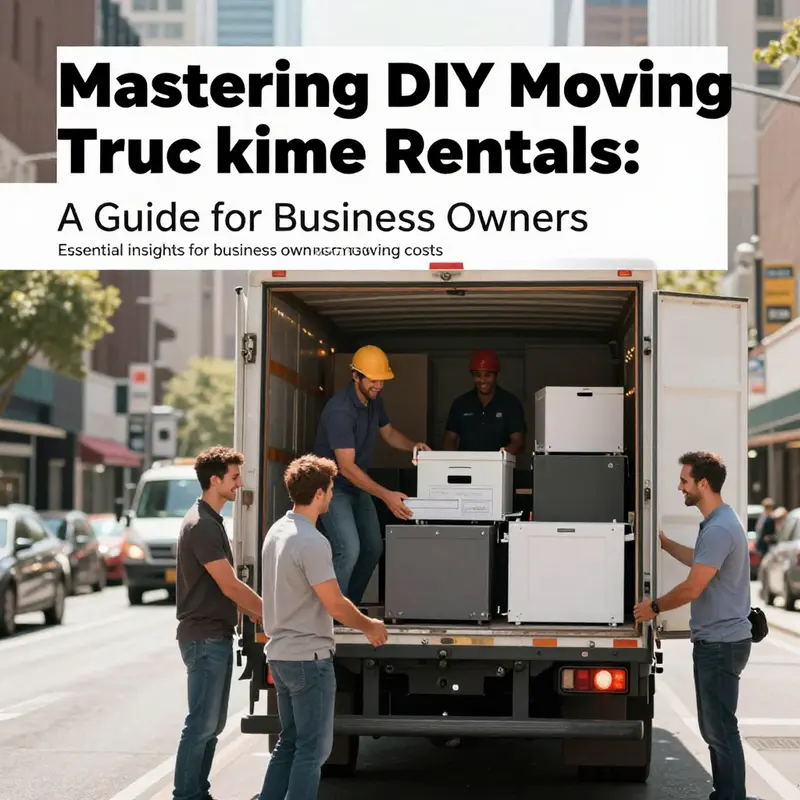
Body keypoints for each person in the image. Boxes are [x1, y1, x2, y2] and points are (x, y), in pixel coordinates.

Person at [258, 454, 388, 800]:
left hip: (281, 655)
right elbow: (334, 603)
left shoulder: (277, 531)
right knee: (312, 751)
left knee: (289, 743)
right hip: (308, 659)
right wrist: (369, 625)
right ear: (319, 493)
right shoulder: (313, 541)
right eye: (330, 489)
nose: (332, 495)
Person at [634, 451, 752, 800]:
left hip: (721, 644)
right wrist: (666, 544)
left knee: (720, 729)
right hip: (721, 641)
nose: (679, 486)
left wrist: (652, 608)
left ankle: (731, 796)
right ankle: (727, 794)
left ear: (703, 483)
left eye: (685, 480)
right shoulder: (719, 522)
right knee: (715, 727)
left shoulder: (719, 528)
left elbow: (692, 587)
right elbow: (702, 563)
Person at [172, 446, 265, 800]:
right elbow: (229, 584)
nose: (239, 484)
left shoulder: (210, 520)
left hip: (215, 636)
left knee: (212, 725)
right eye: (235, 477)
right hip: (204, 638)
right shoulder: (202, 526)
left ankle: (198, 791)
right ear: (216, 480)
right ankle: (186, 795)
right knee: (201, 725)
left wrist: (254, 612)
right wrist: (266, 612)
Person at [313, 345, 431, 606]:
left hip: (358, 485)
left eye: (382, 380)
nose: (379, 385)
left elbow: (388, 433)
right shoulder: (340, 411)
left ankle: (349, 606)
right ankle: (327, 612)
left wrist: (413, 445)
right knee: (349, 549)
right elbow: (346, 467)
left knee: (373, 548)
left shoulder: (374, 402)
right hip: (333, 488)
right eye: (373, 380)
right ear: (355, 376)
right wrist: (387, 496)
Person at [442, 349, 526, 454]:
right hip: (467, 467)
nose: (482, 380)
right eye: (478, 375)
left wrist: (502, 457)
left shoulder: (510, 403)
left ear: (495, 376)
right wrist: (453, 462)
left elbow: (518, 441)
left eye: (487, 375)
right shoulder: (461, 404)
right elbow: (449, 439)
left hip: (498, 467)